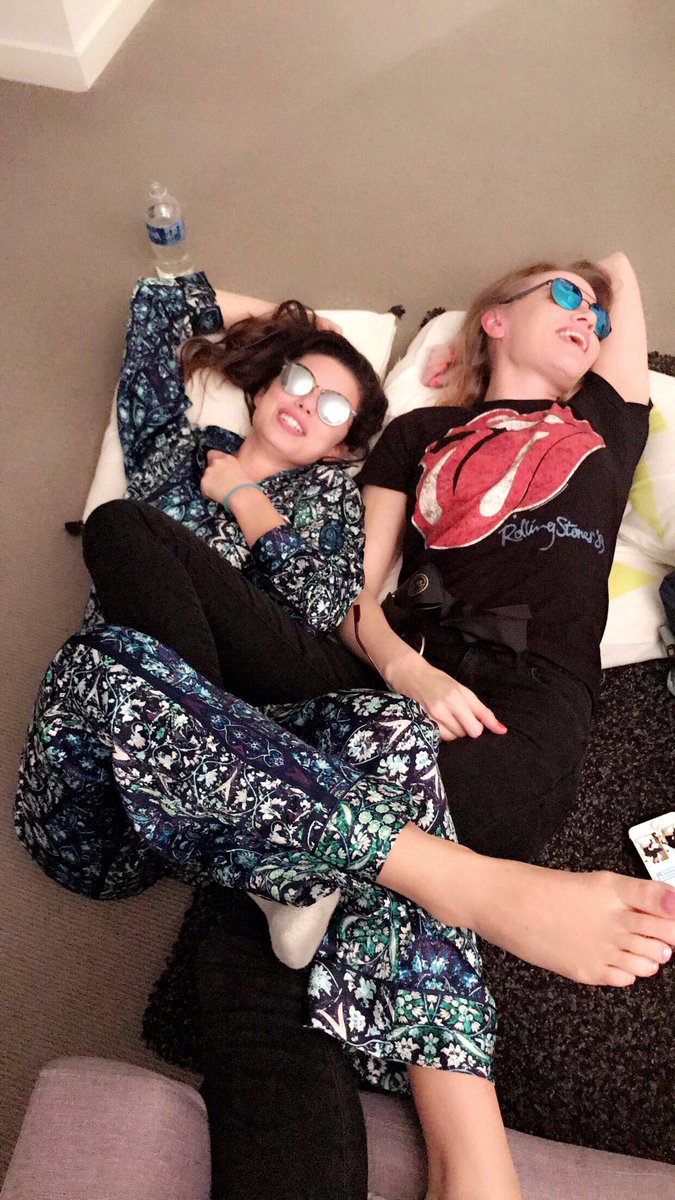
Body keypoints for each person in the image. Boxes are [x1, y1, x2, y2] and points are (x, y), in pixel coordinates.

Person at [18, 255, 675, 1200]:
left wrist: (577, 291)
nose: (588, 317)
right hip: (326, 701)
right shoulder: (408, 434)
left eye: (594, 316)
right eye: (562, 297)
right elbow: (355, 607)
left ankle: (467, 1154)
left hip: (462, 709)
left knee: (254, 933)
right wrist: (405, 667)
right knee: (122, 538)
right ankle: (461, 896)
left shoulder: (592, 428)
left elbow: (616, 268)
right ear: (495, 318)